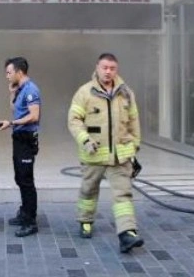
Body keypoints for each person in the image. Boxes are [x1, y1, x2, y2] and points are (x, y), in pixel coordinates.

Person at [67, 53, 144, 253]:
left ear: (116, 70)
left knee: (123, 194)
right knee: (88, 190)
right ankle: (85, 220)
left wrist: (135, 144)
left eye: (112, 68)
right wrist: (84, 139)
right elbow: (74, 120)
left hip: (120, 156)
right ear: (97, 68)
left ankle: (127, 233)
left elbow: (134, 120)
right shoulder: (84, 92)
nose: (108, 71)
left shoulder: (126, 93)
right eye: (105, 67)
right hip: (93, 154)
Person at [0, 57, 41, 237]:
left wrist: (11, 123)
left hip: (27, 138)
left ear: (19, 72)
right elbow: (16, 110)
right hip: (19, 137)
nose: (6, 76)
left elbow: (34, 116)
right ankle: (24, 212)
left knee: (26, 180)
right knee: (20, 177)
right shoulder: (20, 89)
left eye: (9, 72)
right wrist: (12, 93)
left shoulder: (31, 89)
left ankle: (30, 221)